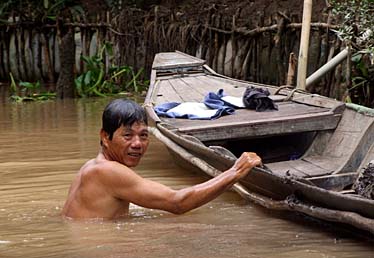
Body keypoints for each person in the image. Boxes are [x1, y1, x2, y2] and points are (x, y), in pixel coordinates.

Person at [62, 99, 262, 219]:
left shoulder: (89, 167)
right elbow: (177, 204)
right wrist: (235, 172)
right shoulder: (108, 171)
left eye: (143, 135)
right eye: (127, 135)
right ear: (105, 137)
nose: (138, 143)